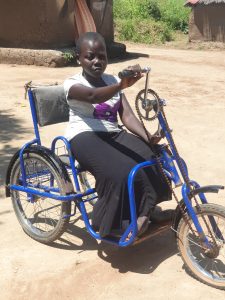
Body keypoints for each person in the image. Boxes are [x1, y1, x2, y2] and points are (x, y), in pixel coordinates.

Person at [64, 32, 171, 238]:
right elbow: (93, 96)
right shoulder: (71, 83)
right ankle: (118, 224)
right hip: (84, 136)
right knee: (121, 171)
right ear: (79, 57)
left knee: (149, 157)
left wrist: (148, 138)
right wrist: (120, 85)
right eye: (90, 56)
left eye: (102, 56)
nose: (97, 61)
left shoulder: (111, 79)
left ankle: (148, 210)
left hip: (112, 133)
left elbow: (128, 116)